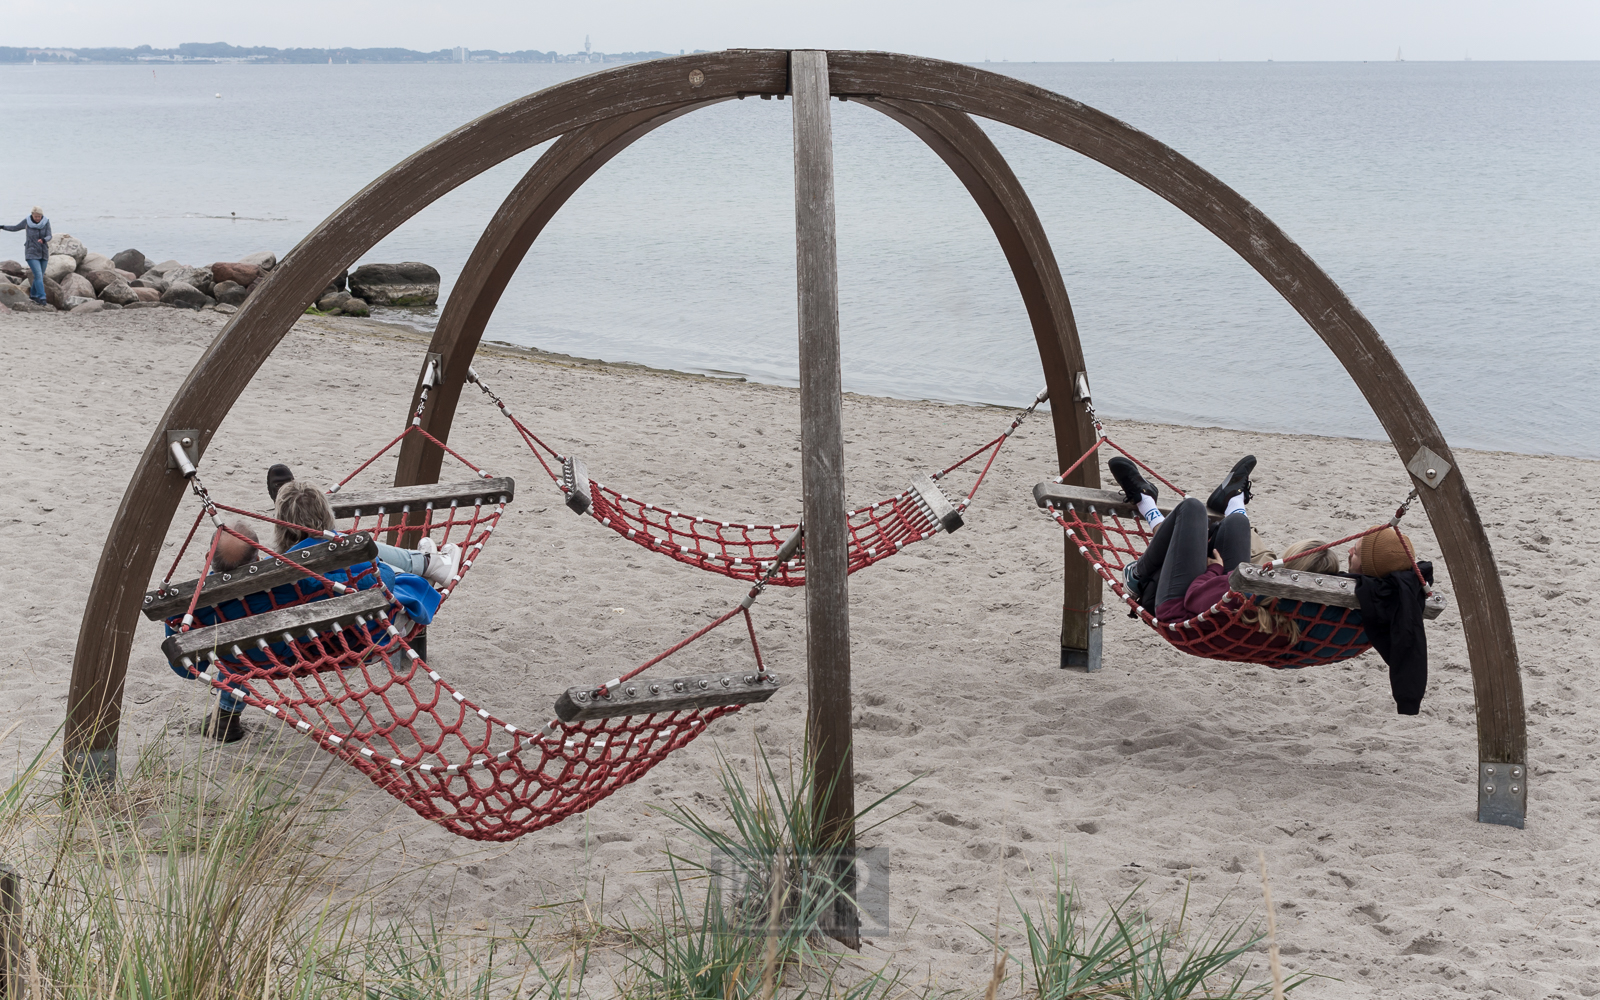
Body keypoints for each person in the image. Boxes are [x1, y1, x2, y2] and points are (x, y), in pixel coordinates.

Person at [1, 207, 51, 305]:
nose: (38, 218)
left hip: (43, 252)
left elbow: (49, 235)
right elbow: (15, 228)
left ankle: (33, 295)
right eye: (36, 216)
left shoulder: (46, 222)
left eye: (39, 216)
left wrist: (44, 240)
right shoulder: (27, 222)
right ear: (32, 215)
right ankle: (42, 297)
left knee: (39, 276)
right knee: (38, 275)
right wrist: (2, 227)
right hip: (31, 252)